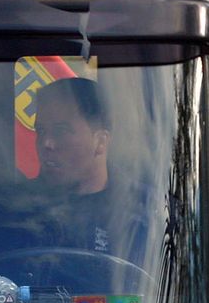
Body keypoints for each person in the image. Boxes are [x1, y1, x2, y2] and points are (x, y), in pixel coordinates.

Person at [28, 77, 136, 259]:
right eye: (41, 131)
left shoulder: (138, 214)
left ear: (100, 142)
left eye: (61, 131)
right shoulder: (19, 207)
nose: (46, 143)